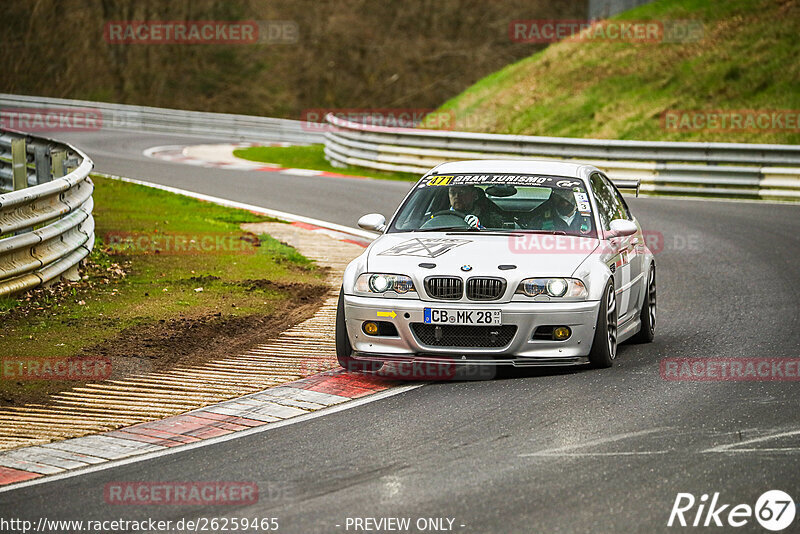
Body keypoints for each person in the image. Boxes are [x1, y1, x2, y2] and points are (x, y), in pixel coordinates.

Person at [525, 188, 592, 234]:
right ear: (553, 196)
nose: (564, 201)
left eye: (567, 194)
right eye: (560, 195)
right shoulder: (539, 221)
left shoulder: (592, 220)